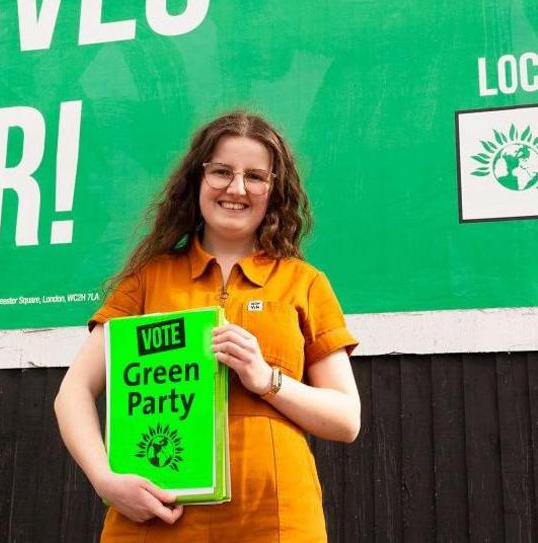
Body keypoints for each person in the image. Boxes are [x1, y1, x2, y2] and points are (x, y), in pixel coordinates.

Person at [54, 111, 361, 540]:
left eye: (255, 176)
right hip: (154, 520)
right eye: (221, 172)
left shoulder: (304, 283)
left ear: (274, 191)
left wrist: (266, 380)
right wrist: (106, 481)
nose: (237, 189)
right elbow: (72, 394)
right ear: (197, 180)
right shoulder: (146, 279)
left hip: (275, 520)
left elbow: (346, 419)